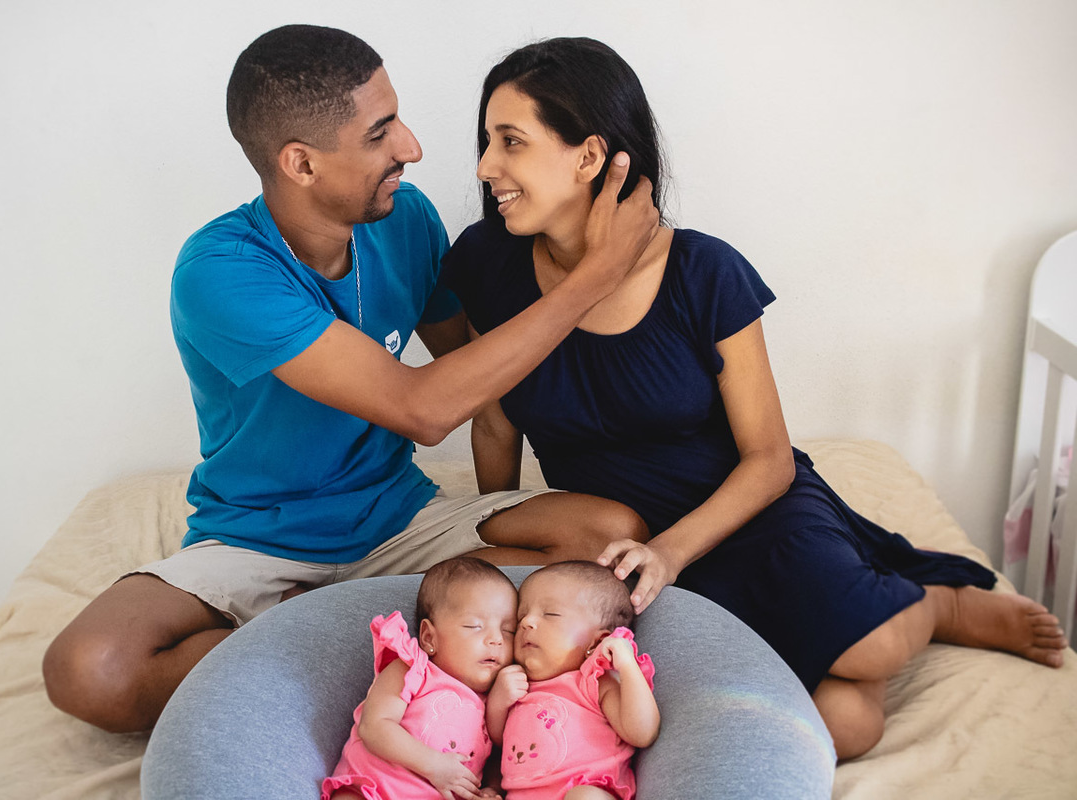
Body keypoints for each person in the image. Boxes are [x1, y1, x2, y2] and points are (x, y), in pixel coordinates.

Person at [442, 37, 1070, 760]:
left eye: (510, 142)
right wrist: (499, 544)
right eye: (487, 141)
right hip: (621, 541)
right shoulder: (485, 263)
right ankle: (855, 617)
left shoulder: (703, 271)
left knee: (867, 652)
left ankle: (940, 604)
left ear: (588, 158)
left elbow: (769, 459)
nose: (486, 167)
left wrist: (670, 554)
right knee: (846, 727)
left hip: (742, 511)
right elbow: (491, 413)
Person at [42, 25, 661, 734]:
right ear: (301, 164)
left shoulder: (408, 221)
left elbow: (477, 371)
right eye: (380, 134)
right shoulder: (221, 270)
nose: (413, 148)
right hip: (259, 539)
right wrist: (592, 279)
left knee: (605, 543)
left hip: (398, 519)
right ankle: (392, 644)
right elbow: (423, 409)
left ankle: (376, 651)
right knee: (90, 668)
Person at [323, 558, 515, 800]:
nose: (496, 639)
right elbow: (375, 727)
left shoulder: (494, 702)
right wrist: (434, 765)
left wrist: (491, 790)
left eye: (509, 630)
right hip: (373, 789)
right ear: (429, 637)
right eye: (475, 626)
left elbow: (498, 759)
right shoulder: (413, 669)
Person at [486, 561, 658, 800]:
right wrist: (498, 701)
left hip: (585, 790)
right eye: (521, 616)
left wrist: (627, 664)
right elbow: (499, 739)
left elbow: (642, 733)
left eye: (550, 614)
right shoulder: (518, 683)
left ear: (597, 642)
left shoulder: (594, 681)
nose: (527, 622)